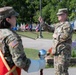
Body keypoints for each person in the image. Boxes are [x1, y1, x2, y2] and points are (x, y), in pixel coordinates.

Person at [0, 6, 46, 75]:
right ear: (8, 19)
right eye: (14, 16)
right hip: (10, 72)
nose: (16, 18)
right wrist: (39, 64)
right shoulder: (12, 37)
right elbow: (20, 62)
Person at [38, 8, 73, 75]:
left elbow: (66, 36)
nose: (58, 16)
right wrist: (42, 23)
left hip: (63, 53)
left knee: (62, 72)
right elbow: (49, 28)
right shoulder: (58, 25)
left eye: (60, 15)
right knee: (57, 72)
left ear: (65, 15)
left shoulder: (67, 25)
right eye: (58, 15)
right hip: (57, 52)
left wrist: (56, 36)